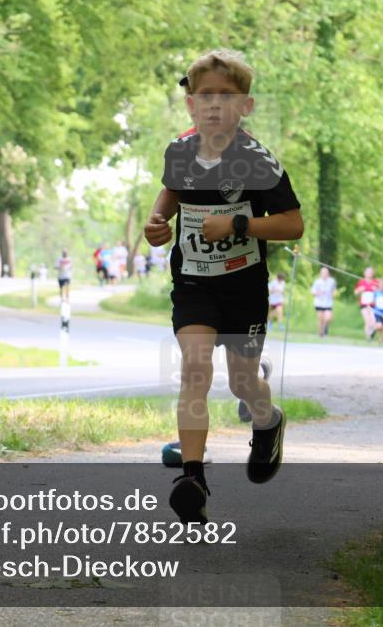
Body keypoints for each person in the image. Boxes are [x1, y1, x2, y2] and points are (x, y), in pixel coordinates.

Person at [143, 49, 304, 524]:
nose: (214, 105)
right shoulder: (179, 150)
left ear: (245, 106)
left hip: (243, 288)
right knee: (195, 368)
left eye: (226, 96)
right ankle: (191, 478)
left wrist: (237, 224)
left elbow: (293, 225)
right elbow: (169, 196)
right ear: (191, 104)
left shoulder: (257, 161)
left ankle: (267, 422)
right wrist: (157, 223)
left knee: (240, 380)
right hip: (194, 281)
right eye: (205, 95)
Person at [353, 267, 381, 339]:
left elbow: (381, 293)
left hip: (373, 305)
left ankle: (372, 333)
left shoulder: (376, 282)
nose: (369, 274)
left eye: (370, 272)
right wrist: (360, 289)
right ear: (364, 273)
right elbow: (355, 293)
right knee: (367, 320)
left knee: (373, 320)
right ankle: (368, 337)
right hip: (364, 304)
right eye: (367, 272)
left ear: (373, 274)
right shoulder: (361, 282)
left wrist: (377, 290)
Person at [310, 267, 337, 338]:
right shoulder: (317, 282)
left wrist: (333, 294)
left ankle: (325, 328)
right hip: (319, 303)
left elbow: (334, 290)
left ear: (328, 274)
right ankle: (321, 333)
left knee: (328, 318)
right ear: (320, 274)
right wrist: (318, 293)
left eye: (326, 273)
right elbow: (312, 292)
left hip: (328, 303)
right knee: (320, 319)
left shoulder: (332, 281)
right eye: (323, 273)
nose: (324, 274)